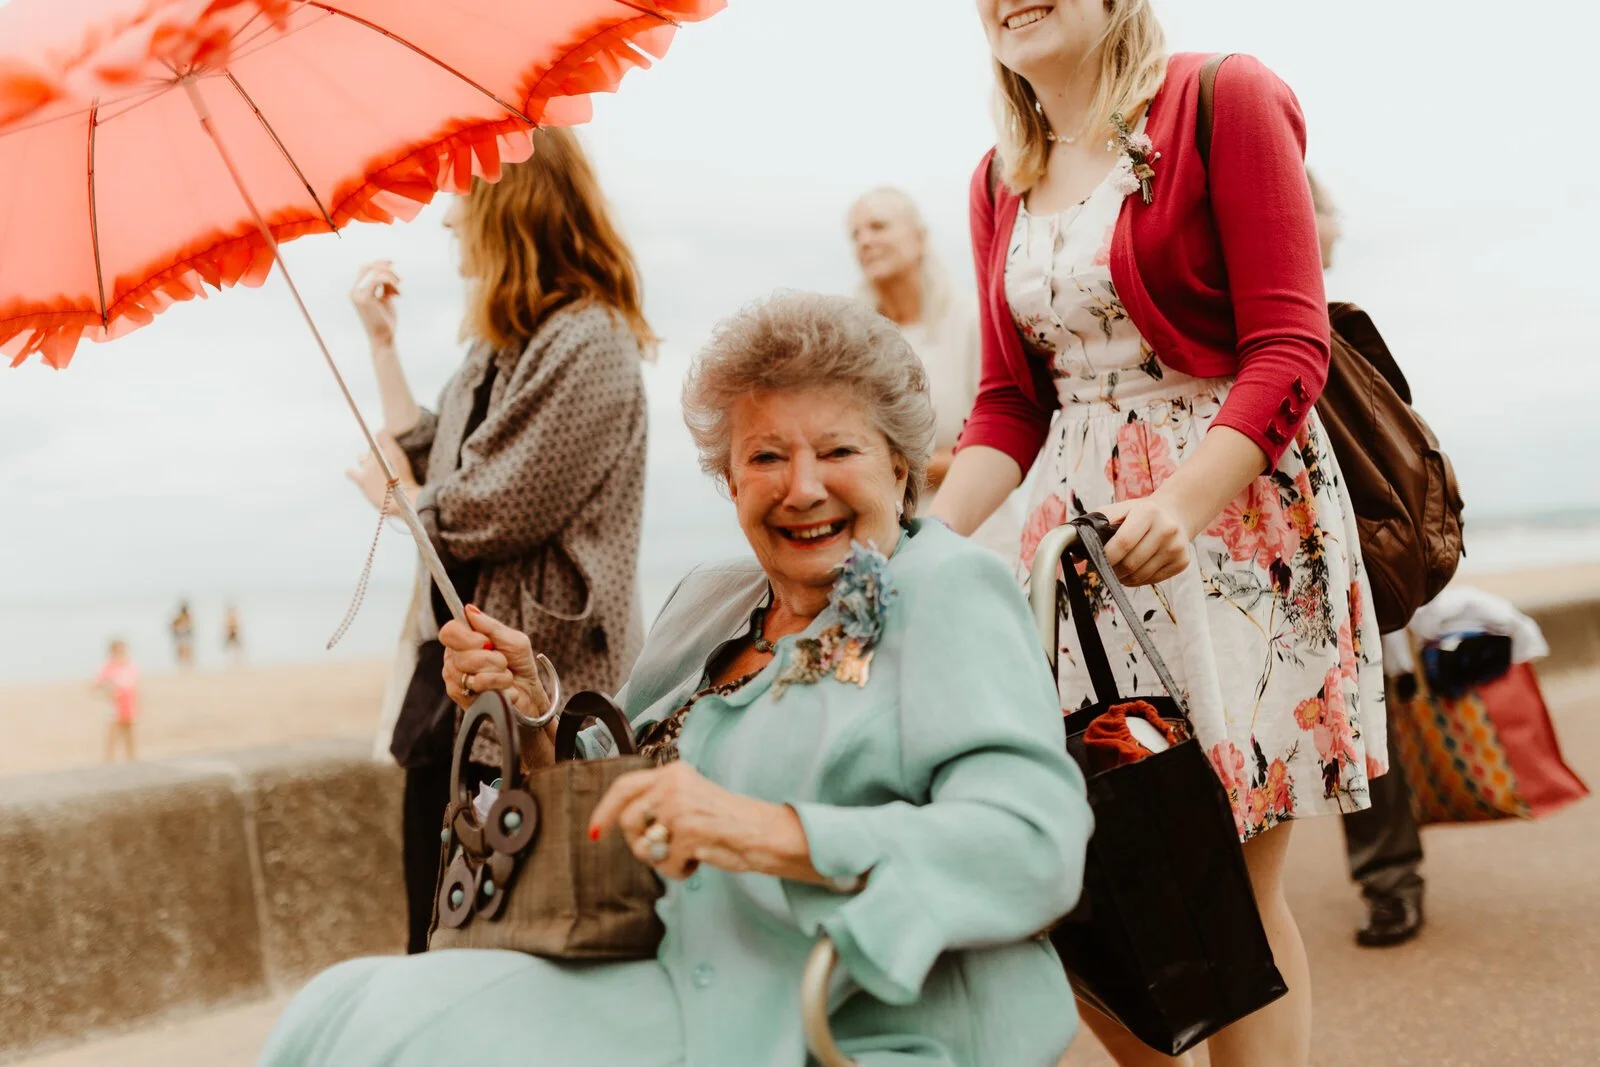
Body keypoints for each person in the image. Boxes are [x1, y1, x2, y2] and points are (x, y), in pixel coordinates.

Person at [260, 292, 1094, 1067]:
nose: (803, 487)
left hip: (828, 1007)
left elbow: (1034, 843)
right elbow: (616, 800)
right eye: (766, 456)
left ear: (901, 467)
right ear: (730, 481)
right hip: (650, 968)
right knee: (336, 1008)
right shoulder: (710, 597)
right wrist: (533, 716)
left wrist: (766, 831)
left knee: (412, 1045)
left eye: (839, 450)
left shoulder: (946, 588)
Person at [932, 6, 1387, 1065]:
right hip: (1079, 553)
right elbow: (1009, 402)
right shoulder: (997, 177)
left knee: (1232, 878)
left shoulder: (1222, 97)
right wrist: (917, 549)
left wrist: (1181, 502)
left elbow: (1288, 344)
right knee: (1101, 876)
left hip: (1231, 521)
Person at [345, 128, 653, 957]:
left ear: (510, 208)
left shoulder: (589, 341)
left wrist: (403, 499)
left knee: (503, 941)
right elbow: (432, 454)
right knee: (436, 932)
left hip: (534, 701)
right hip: (454, 692)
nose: (450, 221)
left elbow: (492, 505)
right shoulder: (495, 345)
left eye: (463, 201)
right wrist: (381, 344)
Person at [1310, 170, 1426, 948]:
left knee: (1363, 700)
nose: (1340, 227)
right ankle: (1390, 877)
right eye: (1329, 210)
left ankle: (1391, 878)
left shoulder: (1339, 325)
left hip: (1352, 538)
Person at [846, 186, 1024, 556]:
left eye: (878, 226)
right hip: (881, 542)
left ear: (920, 237)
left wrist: (885, 466)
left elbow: (1000, 440)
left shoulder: (973, 322)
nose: (864, 241)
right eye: (855, 234)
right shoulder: (852, 340)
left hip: (976, 534)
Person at [93, 639, 139, 762]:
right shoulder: (108, 666)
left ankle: (132, 757)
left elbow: (134, 684)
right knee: (113, 730)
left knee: (128, 729)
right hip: (114, 702)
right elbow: (98, 684)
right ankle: (109, 758)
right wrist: (108, 691)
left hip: (127, 700)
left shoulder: (129, 665)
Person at [169, 601, 194, 668]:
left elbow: (190, 627)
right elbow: (173, 625)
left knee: (185, 648)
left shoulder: (186, 616)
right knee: (183, 648)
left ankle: (185, 662)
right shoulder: (183, 617)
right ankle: (183, 662)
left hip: (183, 635)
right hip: (181, 635)